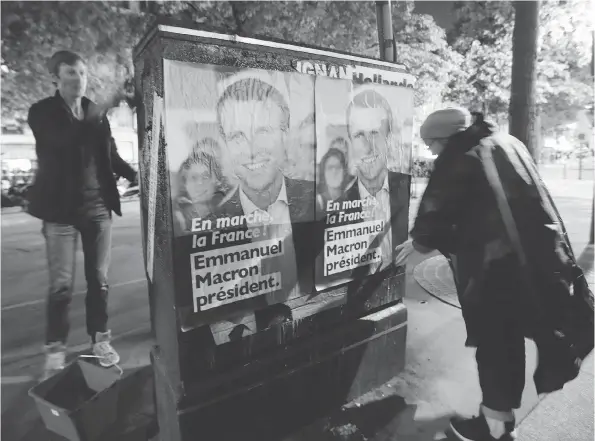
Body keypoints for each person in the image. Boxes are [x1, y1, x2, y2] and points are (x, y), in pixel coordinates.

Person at [394, 107, 591, 441]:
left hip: (494, 270)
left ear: (447, 137)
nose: (430, 150)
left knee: (496, 343)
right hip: (535, 262)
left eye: (432, 143)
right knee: (511, 338)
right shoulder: (505, 143)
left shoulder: (461, 155)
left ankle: (495, 427)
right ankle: (500, 419)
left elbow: (439, 205)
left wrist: (421, 241)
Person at [27, 51, 137, 380]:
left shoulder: (94, 112)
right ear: (56, 79)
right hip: (60, 211)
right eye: (71, 73)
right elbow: (60, 145)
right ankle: (55, 349)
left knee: (99, 281)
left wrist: (135, 175)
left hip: (98, 209)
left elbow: (110, 154)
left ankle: (100, 339)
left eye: (83, 73)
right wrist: (96, 114)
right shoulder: (42, 113)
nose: (79, 79)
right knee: (61, 286)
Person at [215, 77, 316, 329]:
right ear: (225, 145)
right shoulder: (211, 225)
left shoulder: (318, 200)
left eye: (262, 131)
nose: (250, 150)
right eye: (237, 136)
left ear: (285, 135)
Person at [339, 88, 410, 276]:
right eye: (359, 135)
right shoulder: (337, 206)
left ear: (389, 137)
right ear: (349, 143)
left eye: (375, 133)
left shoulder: (405, 186)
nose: (368, 147)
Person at [174, 140, 226, 234]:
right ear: (185, 183)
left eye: (206, 177)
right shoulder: (176, 219)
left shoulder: (230, 211)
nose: (200, 182)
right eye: (194, 178)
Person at [316, 147, 350, 212]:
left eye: (338, 167)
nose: (334, 171)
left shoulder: (352, 200)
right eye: (330, 167)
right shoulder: (317, 203)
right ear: (323, 173)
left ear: (344, 172)